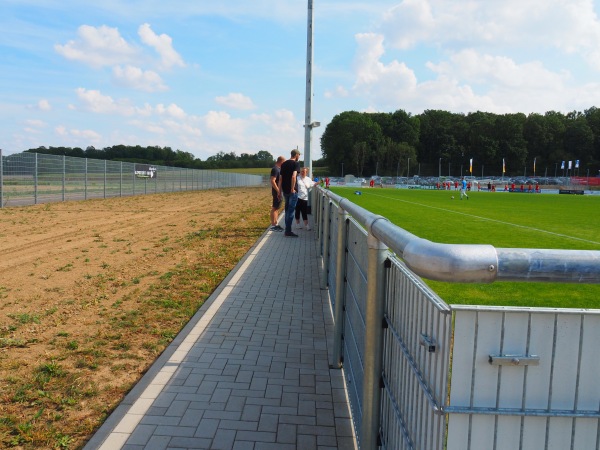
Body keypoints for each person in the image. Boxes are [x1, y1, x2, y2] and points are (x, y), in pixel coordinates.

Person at [278, 149, 301, 237]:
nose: (299, 156)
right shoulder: (296, 164)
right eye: (299, 155)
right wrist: (292, 188)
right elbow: (293, 176)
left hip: (285, 190)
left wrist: (279, 191)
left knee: (287, 210)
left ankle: (287, 230)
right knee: (291, 211)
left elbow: (280, 179)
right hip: (292, 191)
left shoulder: (283, 164)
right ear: (296, 155)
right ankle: (288, 231)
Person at [269, 156, 285, 232]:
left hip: (279, 191)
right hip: (277, 192)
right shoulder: (275, 169)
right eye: (284, 162)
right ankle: (273, 225)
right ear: (281, 161)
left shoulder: (278, 169)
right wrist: (278, 191)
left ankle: (276, 223)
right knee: (275, 208)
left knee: (277, 208)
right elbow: (272, 181)